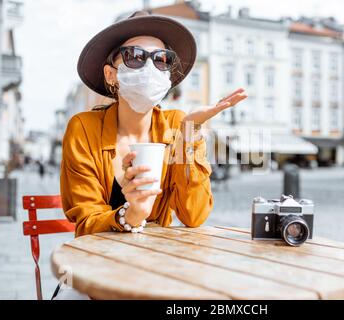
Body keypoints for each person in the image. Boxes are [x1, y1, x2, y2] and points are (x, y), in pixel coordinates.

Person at [55, 10, 246, 299]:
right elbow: (85, 222)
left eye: (162, 59)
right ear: (111, 74)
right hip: (92, 268)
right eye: (134, 56)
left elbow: (194, 216)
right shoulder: (83, 128)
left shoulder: (177, 124)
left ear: (168, 75)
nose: (150, 67)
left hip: (155, 267)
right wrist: (130, 214)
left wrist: (189, 135)